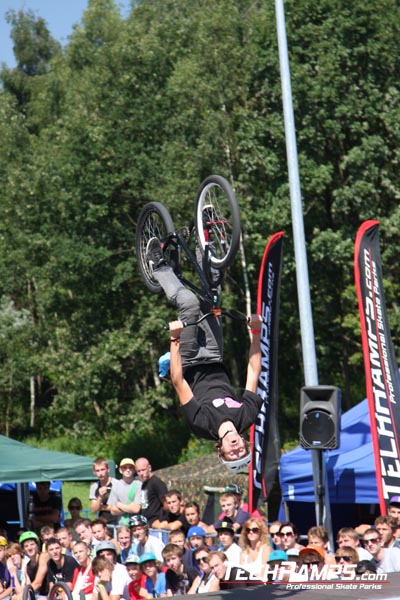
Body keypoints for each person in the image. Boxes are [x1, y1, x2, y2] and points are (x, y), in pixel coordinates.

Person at [146, 239, 263, 472]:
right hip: (213, 355)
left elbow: (178, 381)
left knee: (189, 303)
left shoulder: (202, 424)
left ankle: (157, 265)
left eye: (232, 454)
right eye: (241, 450)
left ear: (221, 450)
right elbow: (253, 371)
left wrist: (175, 338)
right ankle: (204, 240)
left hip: (188, 361)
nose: (236, 447)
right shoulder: (246, 415)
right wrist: (256, 332)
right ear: (244, 442)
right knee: (211, 299)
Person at [125, 458, 168, 526]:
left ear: (149, 468)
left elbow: (166, 503)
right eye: (138, 471)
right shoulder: (143, 484)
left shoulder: (156, 482)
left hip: (156, 524)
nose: (141, 473)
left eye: (143, 470)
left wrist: (162, 520)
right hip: (146, 524)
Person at [108, 459, 142, 525]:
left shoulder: (139, 485)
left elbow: (136, 509)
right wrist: (130, 508)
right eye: (125, 467)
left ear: (134, 470)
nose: (128, 470)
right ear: (120, 470)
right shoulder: (116, 485)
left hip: (135, 525)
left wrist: (119, 505)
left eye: (130, 467)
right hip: (120, 525)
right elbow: (112, 510)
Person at [90, 457, 119, 526]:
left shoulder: (117, 484)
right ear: (94, 472)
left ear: (108, 469)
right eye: (97, 471)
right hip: (102, 524)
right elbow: (93, 510)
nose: (100, 473)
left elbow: (120, 508)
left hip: (117, 522)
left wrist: (102, 507)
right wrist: (100, 497)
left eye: (102, 470)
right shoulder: (94, 487)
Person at [19, 530, 49, 598]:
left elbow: (38, 583)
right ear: (23, 549)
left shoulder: (43, 556)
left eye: (32, 544)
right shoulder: (26, 564)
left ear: (37, 545)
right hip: (35, 595)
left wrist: (21, 595)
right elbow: (27, 585)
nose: (29, 548)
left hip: (48, 594)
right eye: (26, 546)